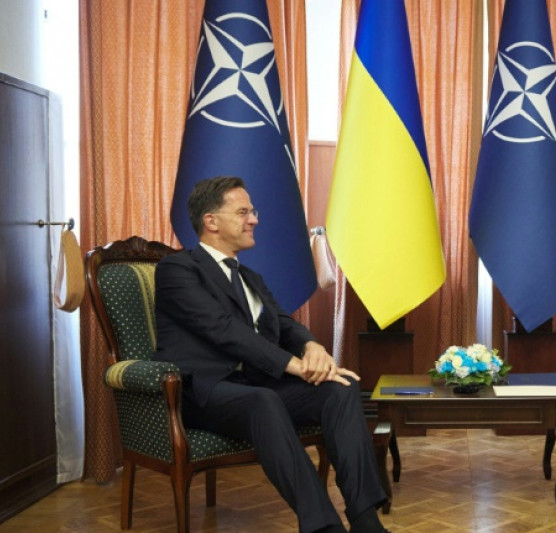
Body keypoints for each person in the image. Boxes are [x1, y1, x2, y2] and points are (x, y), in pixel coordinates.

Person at [154, 176, 389, 533]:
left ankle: (365, 520)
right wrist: (296, 366)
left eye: (253, 211)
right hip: (206, 391)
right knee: (264, 401)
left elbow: (283, 323)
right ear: (211, 221)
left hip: (256, 383)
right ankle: (324, 527)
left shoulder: (249, 276)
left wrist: (313, 347)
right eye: (243, 212)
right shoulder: (177, 270)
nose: (255, 220)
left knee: (340, 390)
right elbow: (222, 330)